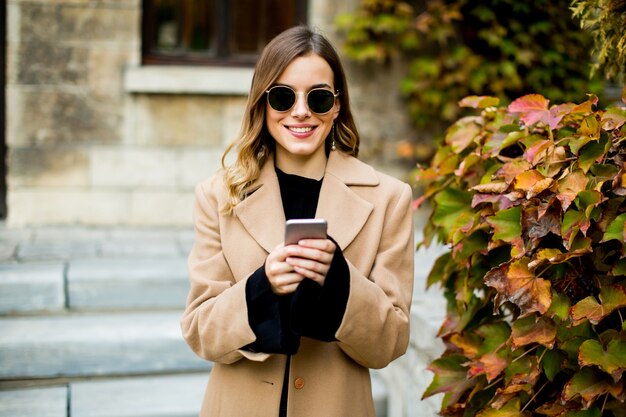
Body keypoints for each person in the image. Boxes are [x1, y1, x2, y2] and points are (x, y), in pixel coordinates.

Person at [181, 25, 415, 417]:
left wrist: (339, 281)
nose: (301, 111)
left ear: (337, 105)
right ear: (262, 104)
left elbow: (391, 342)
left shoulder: (389, 198)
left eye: (319, 98)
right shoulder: (217, 196)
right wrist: (262, 287)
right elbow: (200, 332)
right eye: (283, 97)